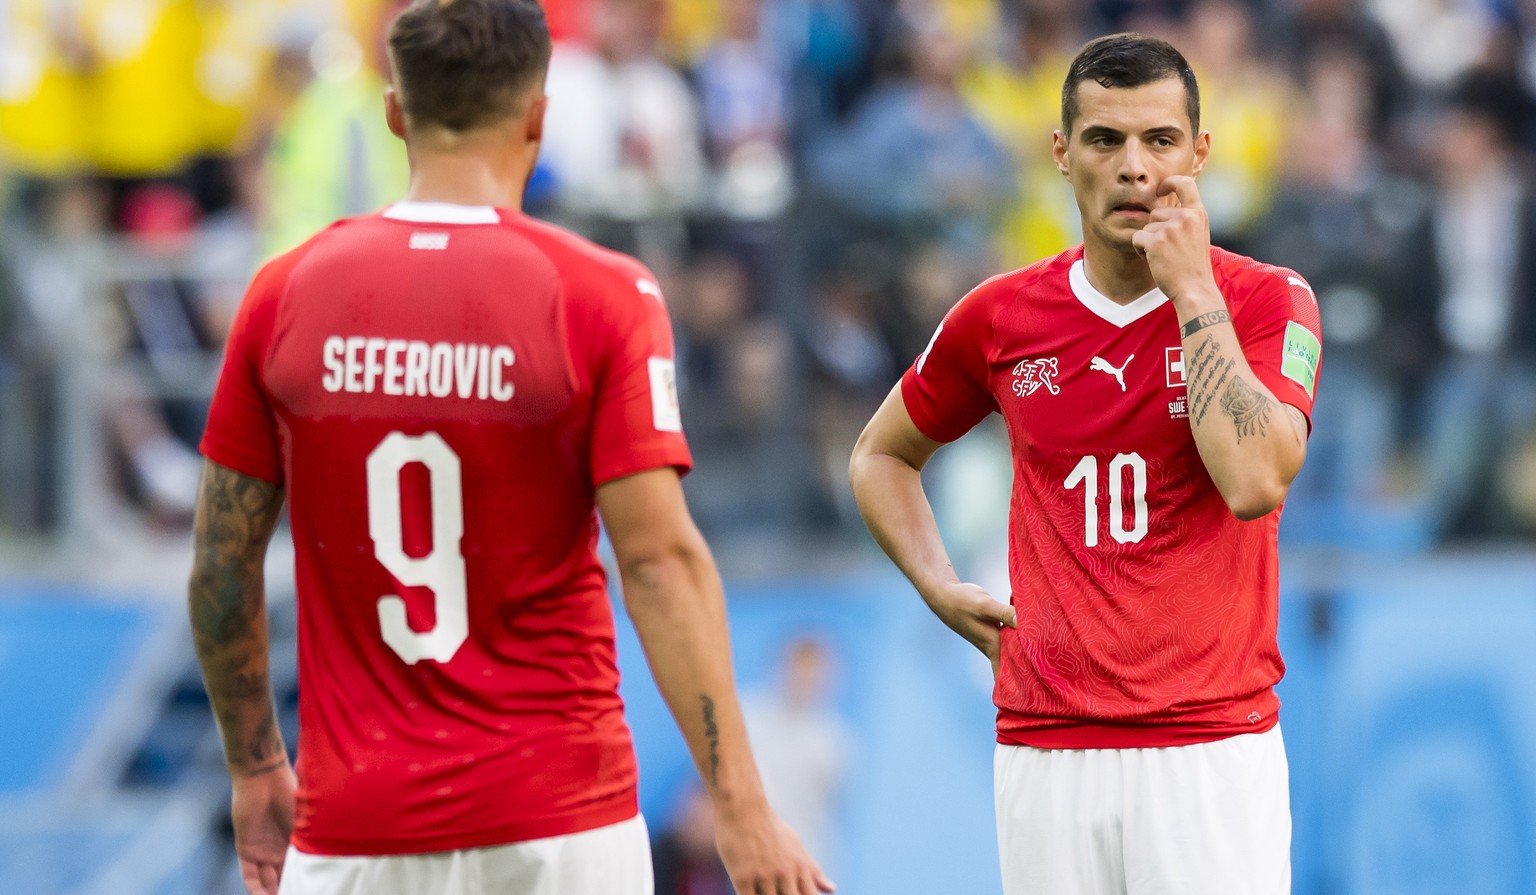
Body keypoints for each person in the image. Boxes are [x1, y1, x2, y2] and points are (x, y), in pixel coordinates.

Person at [186, 2, 833, 895]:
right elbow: (659, 562)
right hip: (560, 821)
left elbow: (222, 566)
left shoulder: (283, 294)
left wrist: (256, 768)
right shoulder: (602, 296)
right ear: (538, 113)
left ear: (395, 114)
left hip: (355, 828)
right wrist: (741, 804)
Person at [848, 33, 1322, 895]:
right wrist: (938, 583)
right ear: (1062, 156)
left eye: (1160, 141)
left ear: (1201, 153)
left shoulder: (1265, 298)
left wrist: (1191, 291)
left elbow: (1256, 479)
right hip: (1045, 747)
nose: (1134, 167)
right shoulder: (1000, 317)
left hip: (1209, 749)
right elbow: (881, 455)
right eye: (1105, 140)